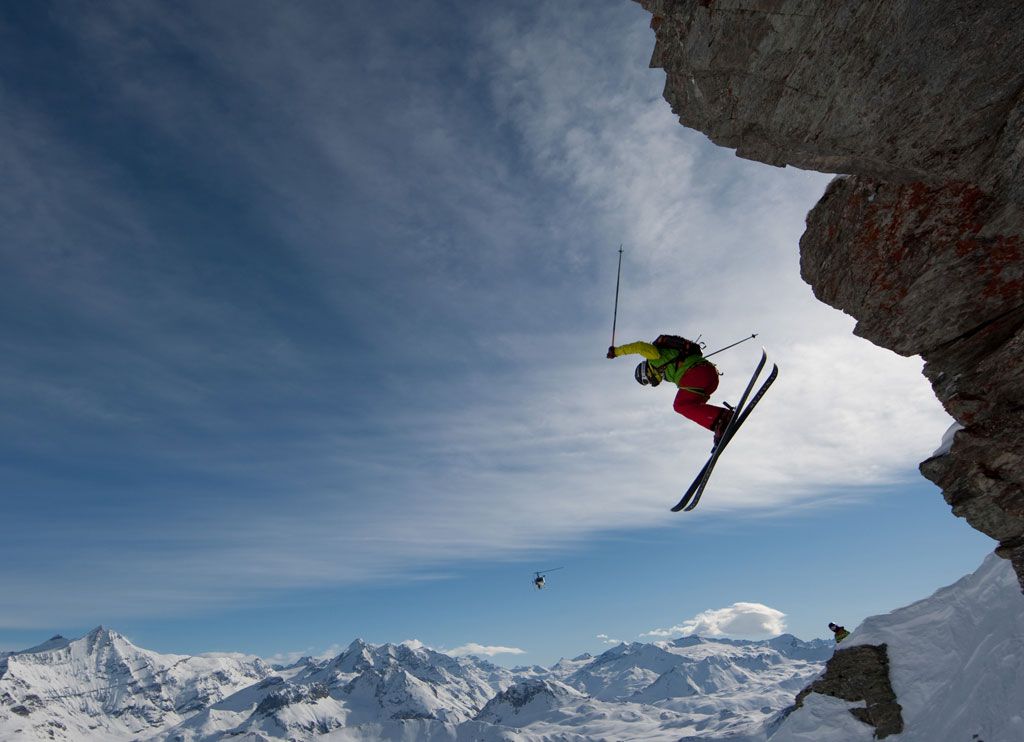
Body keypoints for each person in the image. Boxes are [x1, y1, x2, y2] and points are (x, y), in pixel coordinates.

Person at [607, 335, 733, 444]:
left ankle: (722, 418)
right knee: (690, 405)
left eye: (646, 381)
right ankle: (718, 423)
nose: (650, 383)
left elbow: (640, 346)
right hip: (709, 379)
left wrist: (617, 352)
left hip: (698, 373)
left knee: (680, 405)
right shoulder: (666, 370)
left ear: (645, 373)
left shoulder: (654, 357)